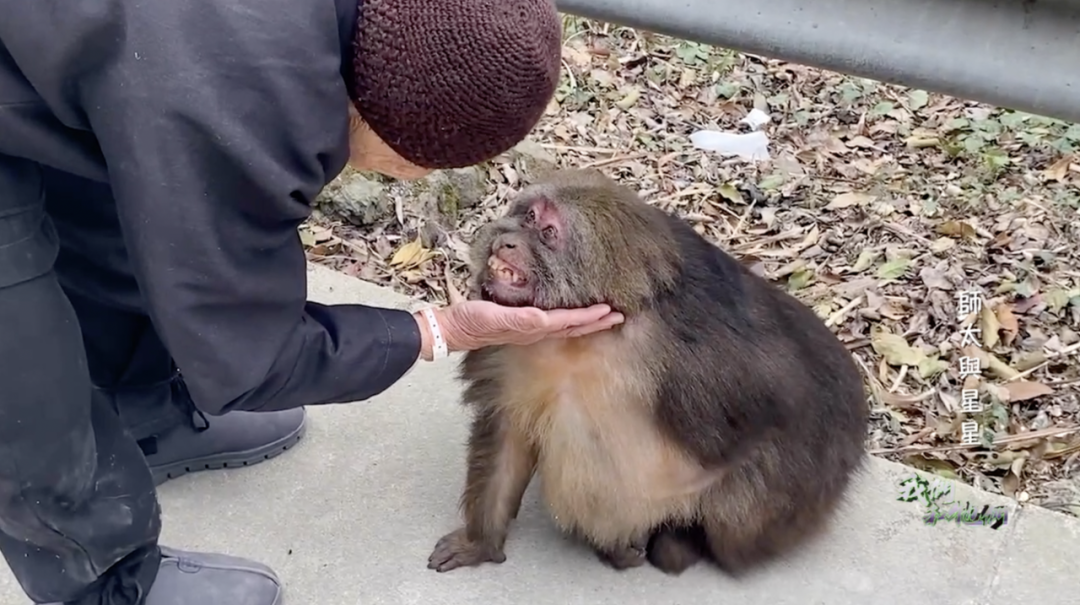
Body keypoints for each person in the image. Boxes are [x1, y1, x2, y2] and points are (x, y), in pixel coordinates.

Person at [0, 0, 626, 603]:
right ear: (382, 108)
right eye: (420, 163)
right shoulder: (238, 94)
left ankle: (139, 410)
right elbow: (252, 356)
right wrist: (441, 329)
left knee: (112, 210)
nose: (415, 178)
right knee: (25, 377)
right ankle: (105, 584)